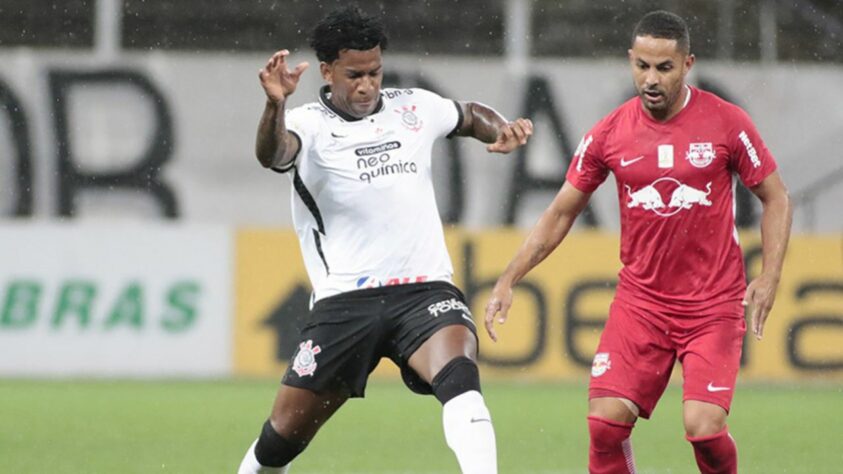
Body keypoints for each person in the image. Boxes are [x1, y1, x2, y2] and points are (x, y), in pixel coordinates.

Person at [484, 10, 791, 474]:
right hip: (641, 303)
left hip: (712, 303)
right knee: (605, 427)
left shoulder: (727, 123)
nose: (650, 79)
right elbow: (561, 211)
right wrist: (510, 277)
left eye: (664, 68)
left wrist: (770, 276)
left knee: (704, 429)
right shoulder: (609, 133)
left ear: (688, 64)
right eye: (642, 66)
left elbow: (776, 197)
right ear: (631, 60)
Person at [238, 5, 533, 474]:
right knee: (282, 440)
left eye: (374, 72)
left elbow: (468, 114)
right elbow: (272, 154)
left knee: (460, 376)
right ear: (327, 70)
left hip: (424, 290)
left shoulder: (413, 106)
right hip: (345, 301)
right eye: (354, 75)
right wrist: (275, 104)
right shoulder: (308, 123)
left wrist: (503, 129)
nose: (367, 85)